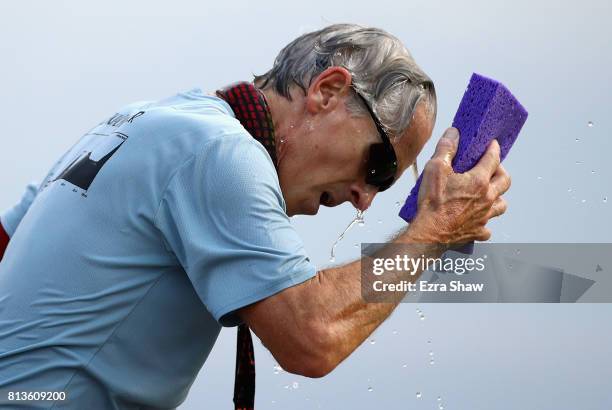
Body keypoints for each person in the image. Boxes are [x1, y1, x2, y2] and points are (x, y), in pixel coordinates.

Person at [0, 24, 510, 409]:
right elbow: (312, 339)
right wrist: (434, 228)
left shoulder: (142, 119)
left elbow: (6, 240)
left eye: (385, 185)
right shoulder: (220, 153)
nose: (364, 198)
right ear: (328, 91)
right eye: (377, 164)